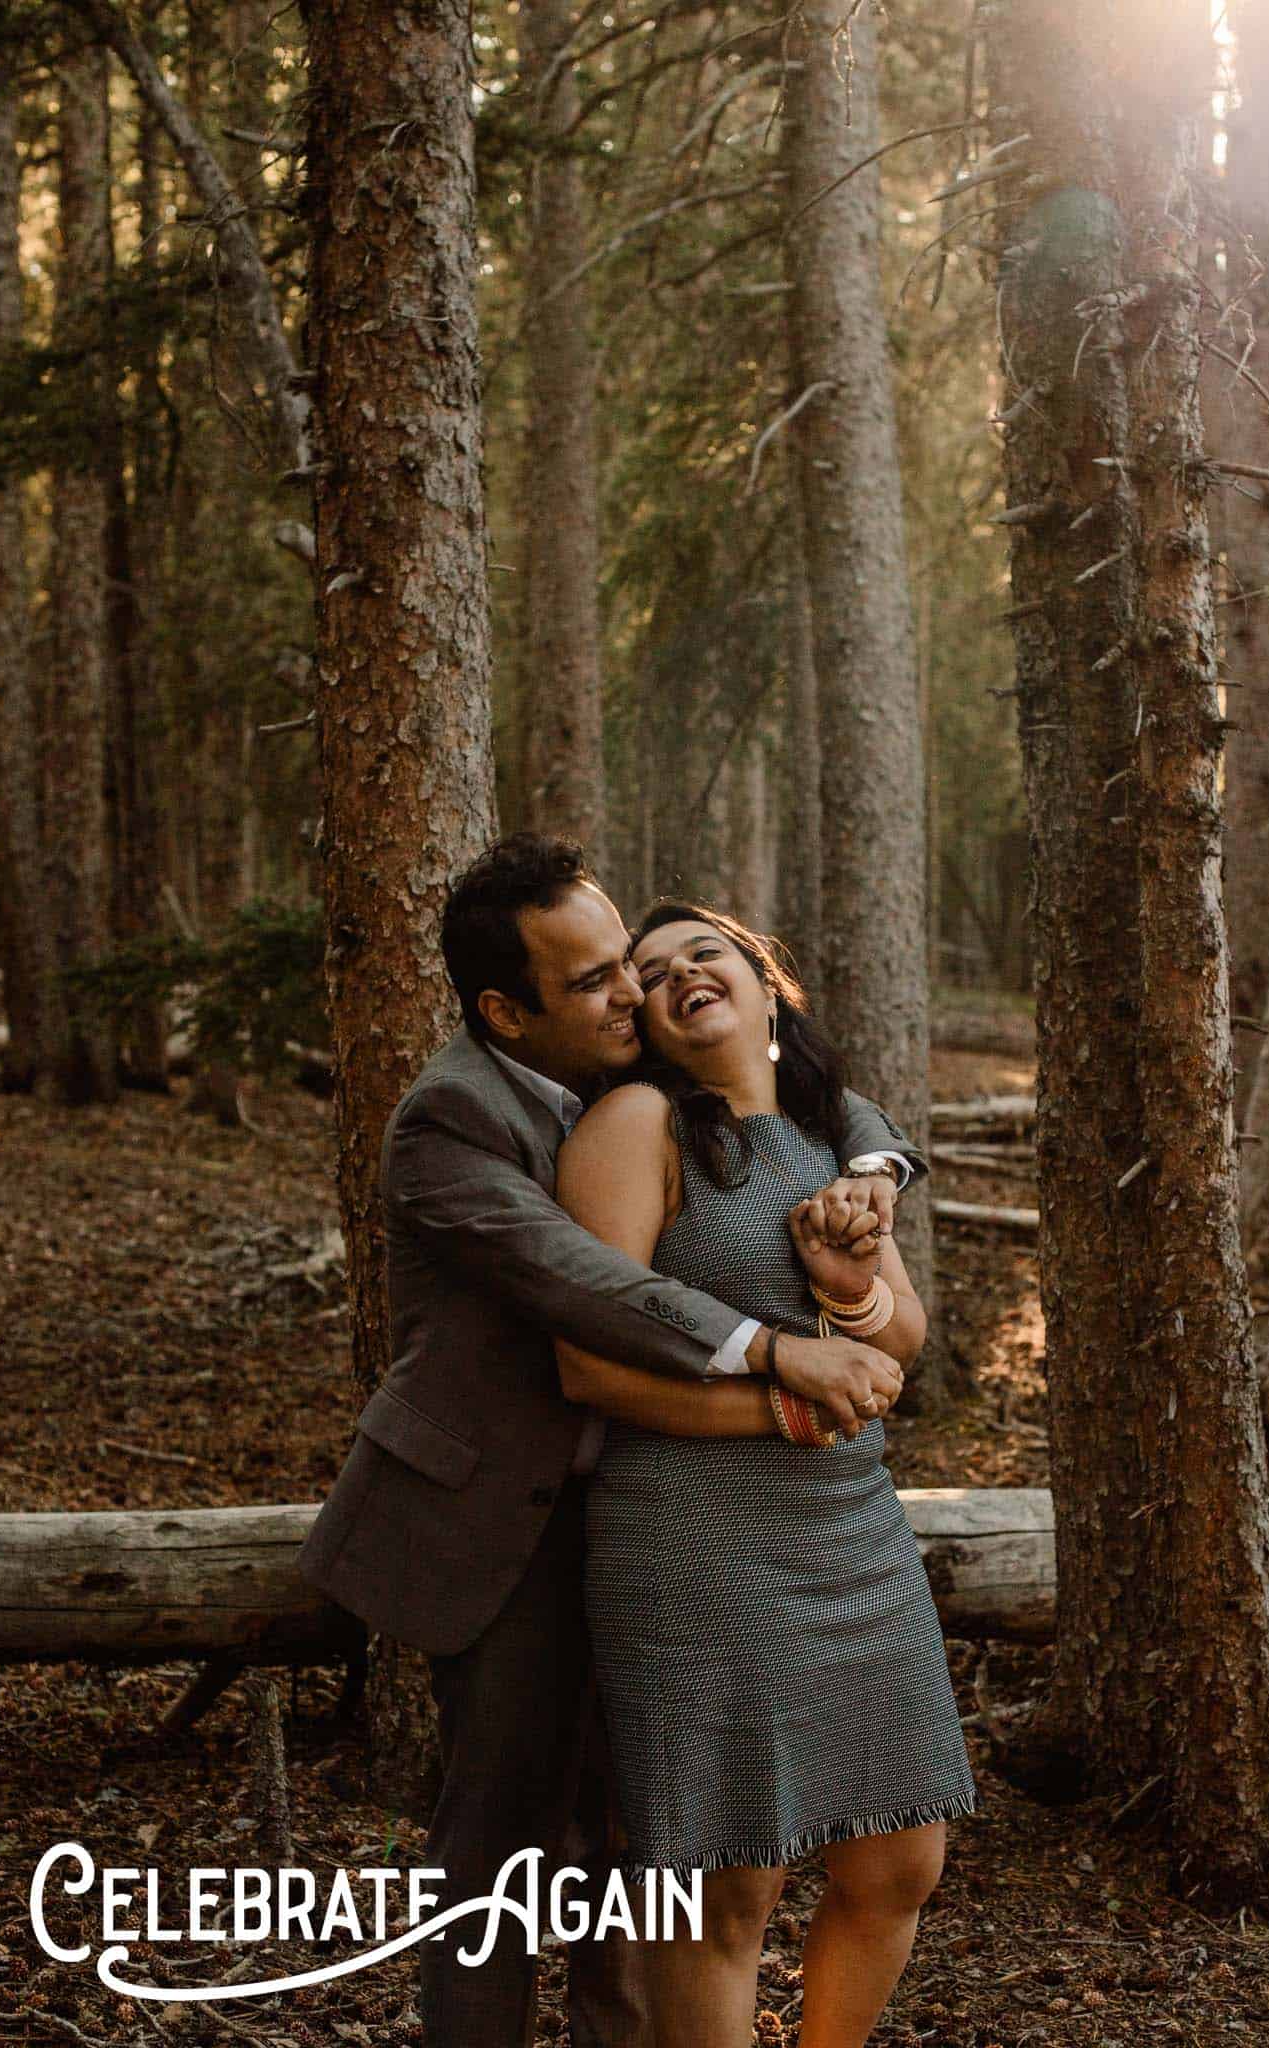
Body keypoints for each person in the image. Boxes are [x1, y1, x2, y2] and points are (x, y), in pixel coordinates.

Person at [298, 833, 926, 2048]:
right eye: (591, 978)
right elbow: (586, 1286)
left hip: (657, 1507)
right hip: (501, 1516)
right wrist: (779, 1359)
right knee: (500, 1853)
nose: (628, 992)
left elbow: (807, 1082)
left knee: (637, 1850)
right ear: (505, 1009)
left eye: (622, 963)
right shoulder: (448, 1119)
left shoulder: (620, 1062)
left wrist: (878, 1164)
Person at [552, 900, 976, 2048]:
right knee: (726, 1888)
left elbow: (900, 1340)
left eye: (706, 951)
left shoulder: (827, 1129)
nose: (682, 971)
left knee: (898, 1858)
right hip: (694, 1535)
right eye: (652, 970)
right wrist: (781, 1403)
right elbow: (588, 1360)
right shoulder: (636, 1123)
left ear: (760, 975)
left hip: (852, 1527)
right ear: (639, 1017)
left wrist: (848, 1288)